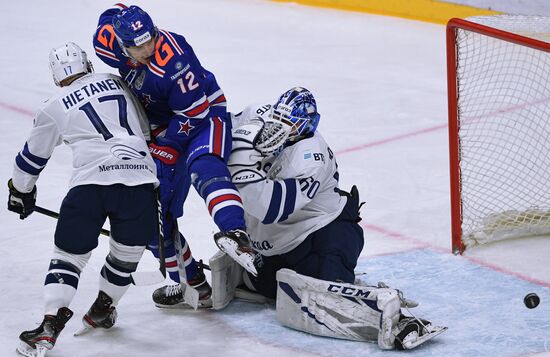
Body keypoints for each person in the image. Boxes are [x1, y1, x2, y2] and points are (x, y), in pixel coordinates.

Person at [210, 87, 447, 350]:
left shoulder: (310, 158)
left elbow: (270, 207)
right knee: (272, 289)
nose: (281, 129)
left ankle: (395, 317)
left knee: (328, 297)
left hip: (324, 234)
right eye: (279, 119)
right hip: (278, 243)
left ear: (306, 125)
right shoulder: (258, 115)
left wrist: (240, 165)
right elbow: (215, 127)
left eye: (291, 125)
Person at [93, 4, 255, 308]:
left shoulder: (173, 60)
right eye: (138, 46)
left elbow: (194, 113)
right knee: (153, 214)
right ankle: (194, 284)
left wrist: (167, 147)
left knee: (204, 166)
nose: (147, 49)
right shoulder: (107, 41)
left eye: (149, 40)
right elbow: (111, 13)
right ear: (122, 43)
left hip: (203, 117)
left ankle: (236, 233)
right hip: (159, 127)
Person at [8, 42, 159, 357]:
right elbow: (147, 133)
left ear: (56, 76)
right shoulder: (118, 82)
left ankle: (49, 324)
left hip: (90, 187)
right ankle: (104, 308)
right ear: (87, 65)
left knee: (68, 258)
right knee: (124, 258)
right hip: (139, 182)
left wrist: (20, 190)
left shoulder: (54, 104)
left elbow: (31, 160)